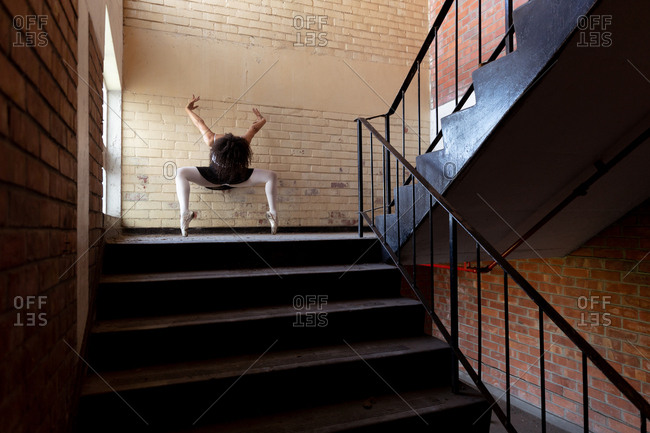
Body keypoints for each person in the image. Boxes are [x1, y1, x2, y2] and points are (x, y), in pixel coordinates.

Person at [175, 95, 278, 236]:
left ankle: (184, 213)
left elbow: (199, 122)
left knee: (181, 172)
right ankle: (273, 213)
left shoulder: (212, 140)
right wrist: (262, 119)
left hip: (212, 178)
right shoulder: (243, 143)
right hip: (238, 180)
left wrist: (188, 109)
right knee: (271, 176)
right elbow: (254, 128)